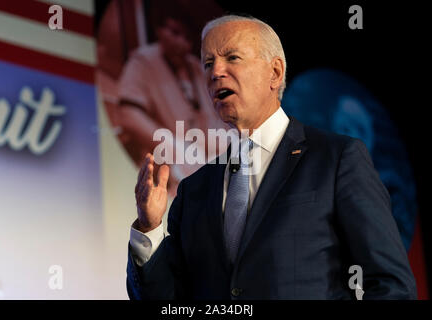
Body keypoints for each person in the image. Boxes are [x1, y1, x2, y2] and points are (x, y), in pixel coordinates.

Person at [126, 15, 417, 299]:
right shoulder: (194, 191)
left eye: (232, 58)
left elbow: (391, 284)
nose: (216, 72)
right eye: (208, 63)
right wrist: (149, 229)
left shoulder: (337, 158)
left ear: (275, 73)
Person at [117, 11, 226, 197]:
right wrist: (173, 146)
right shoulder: (143, 61)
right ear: (159, 31)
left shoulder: (195, 66)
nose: (181, 43)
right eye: (175, 33)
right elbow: (128, 115)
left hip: (204, 162)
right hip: (166, 171)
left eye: (187, 38)